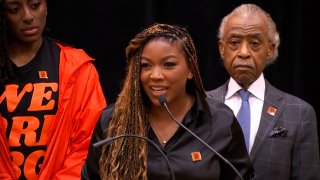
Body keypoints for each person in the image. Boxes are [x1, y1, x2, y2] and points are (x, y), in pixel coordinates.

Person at [81, 23, 253, 180]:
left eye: (168, 64)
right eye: (145, 65)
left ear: (190, 69)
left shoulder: (220, 120)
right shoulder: (111, 122)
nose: (155, 75)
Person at [207, 3, 320, 179]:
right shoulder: (200, 104)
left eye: (254, 43)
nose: (243, 52)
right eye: (234, 43)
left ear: (270, 49)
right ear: (222, 48)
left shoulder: (299, 113)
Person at [0, 0, 107, 179]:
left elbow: (88, 143)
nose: (27, 16)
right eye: (14, 9)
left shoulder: (77, 68)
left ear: (46, 7)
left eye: (35, 5)